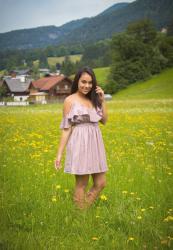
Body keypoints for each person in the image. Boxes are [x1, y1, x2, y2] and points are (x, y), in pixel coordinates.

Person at [54, 66, 108, 210]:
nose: (87, 86)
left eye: (90, 83)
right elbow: (66, 129)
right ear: (77, 81)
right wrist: (59, 154)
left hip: (96, 142)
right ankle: (81, 216)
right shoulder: (69, 100)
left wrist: (102, 101)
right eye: (83, 82)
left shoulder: (95, 98)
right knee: (81, 184)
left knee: (101, 183)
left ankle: (83, 209)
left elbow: (104, 120)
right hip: (79, 142)